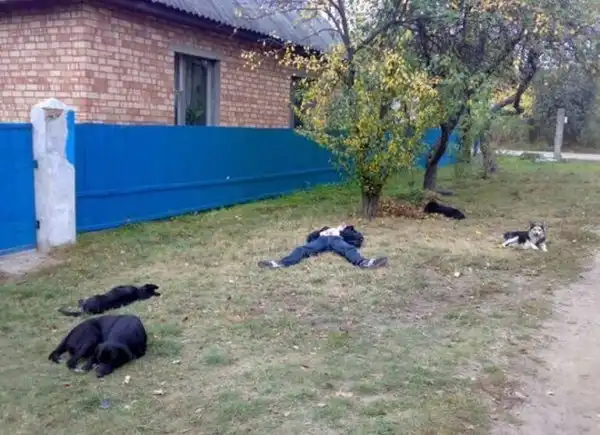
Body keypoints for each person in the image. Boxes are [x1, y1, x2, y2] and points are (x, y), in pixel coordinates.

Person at [258, 224, 388, 269]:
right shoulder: (323, 231)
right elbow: (310, 238)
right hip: (322, 240)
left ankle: (364, 263)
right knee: (302, 249)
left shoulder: (345, 231)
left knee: (348, 249)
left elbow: (358, 239)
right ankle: (280, 263)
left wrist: (342, 230)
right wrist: (321, 232)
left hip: (337, 239)